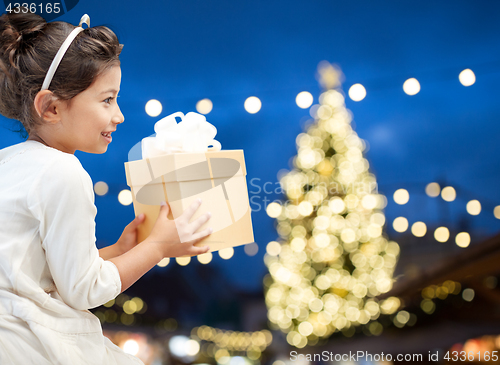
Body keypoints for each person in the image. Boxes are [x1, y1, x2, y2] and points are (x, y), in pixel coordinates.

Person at [0, 11, 212, 364]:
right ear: (51, 107)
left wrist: (119, 250)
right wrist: (158, 246)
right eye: (106, 99)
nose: (119, 115)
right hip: (31, 342)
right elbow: (83, 290)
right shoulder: (62, 172)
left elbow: (47, 275)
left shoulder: (9, 162)